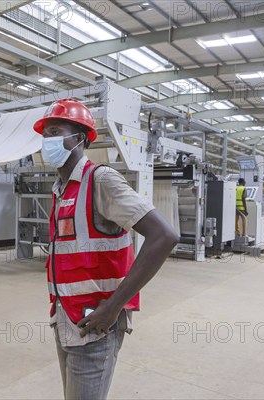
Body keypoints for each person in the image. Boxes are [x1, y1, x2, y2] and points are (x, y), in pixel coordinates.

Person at [34, 98, 179, 399]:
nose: (47, 141)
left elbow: (164, 236)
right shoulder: (61, 190)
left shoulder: (100, 180)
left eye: (55, 131)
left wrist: (113, 308)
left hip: (96, 326)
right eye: (45, 133)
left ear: (79, 138)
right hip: (66, 319)